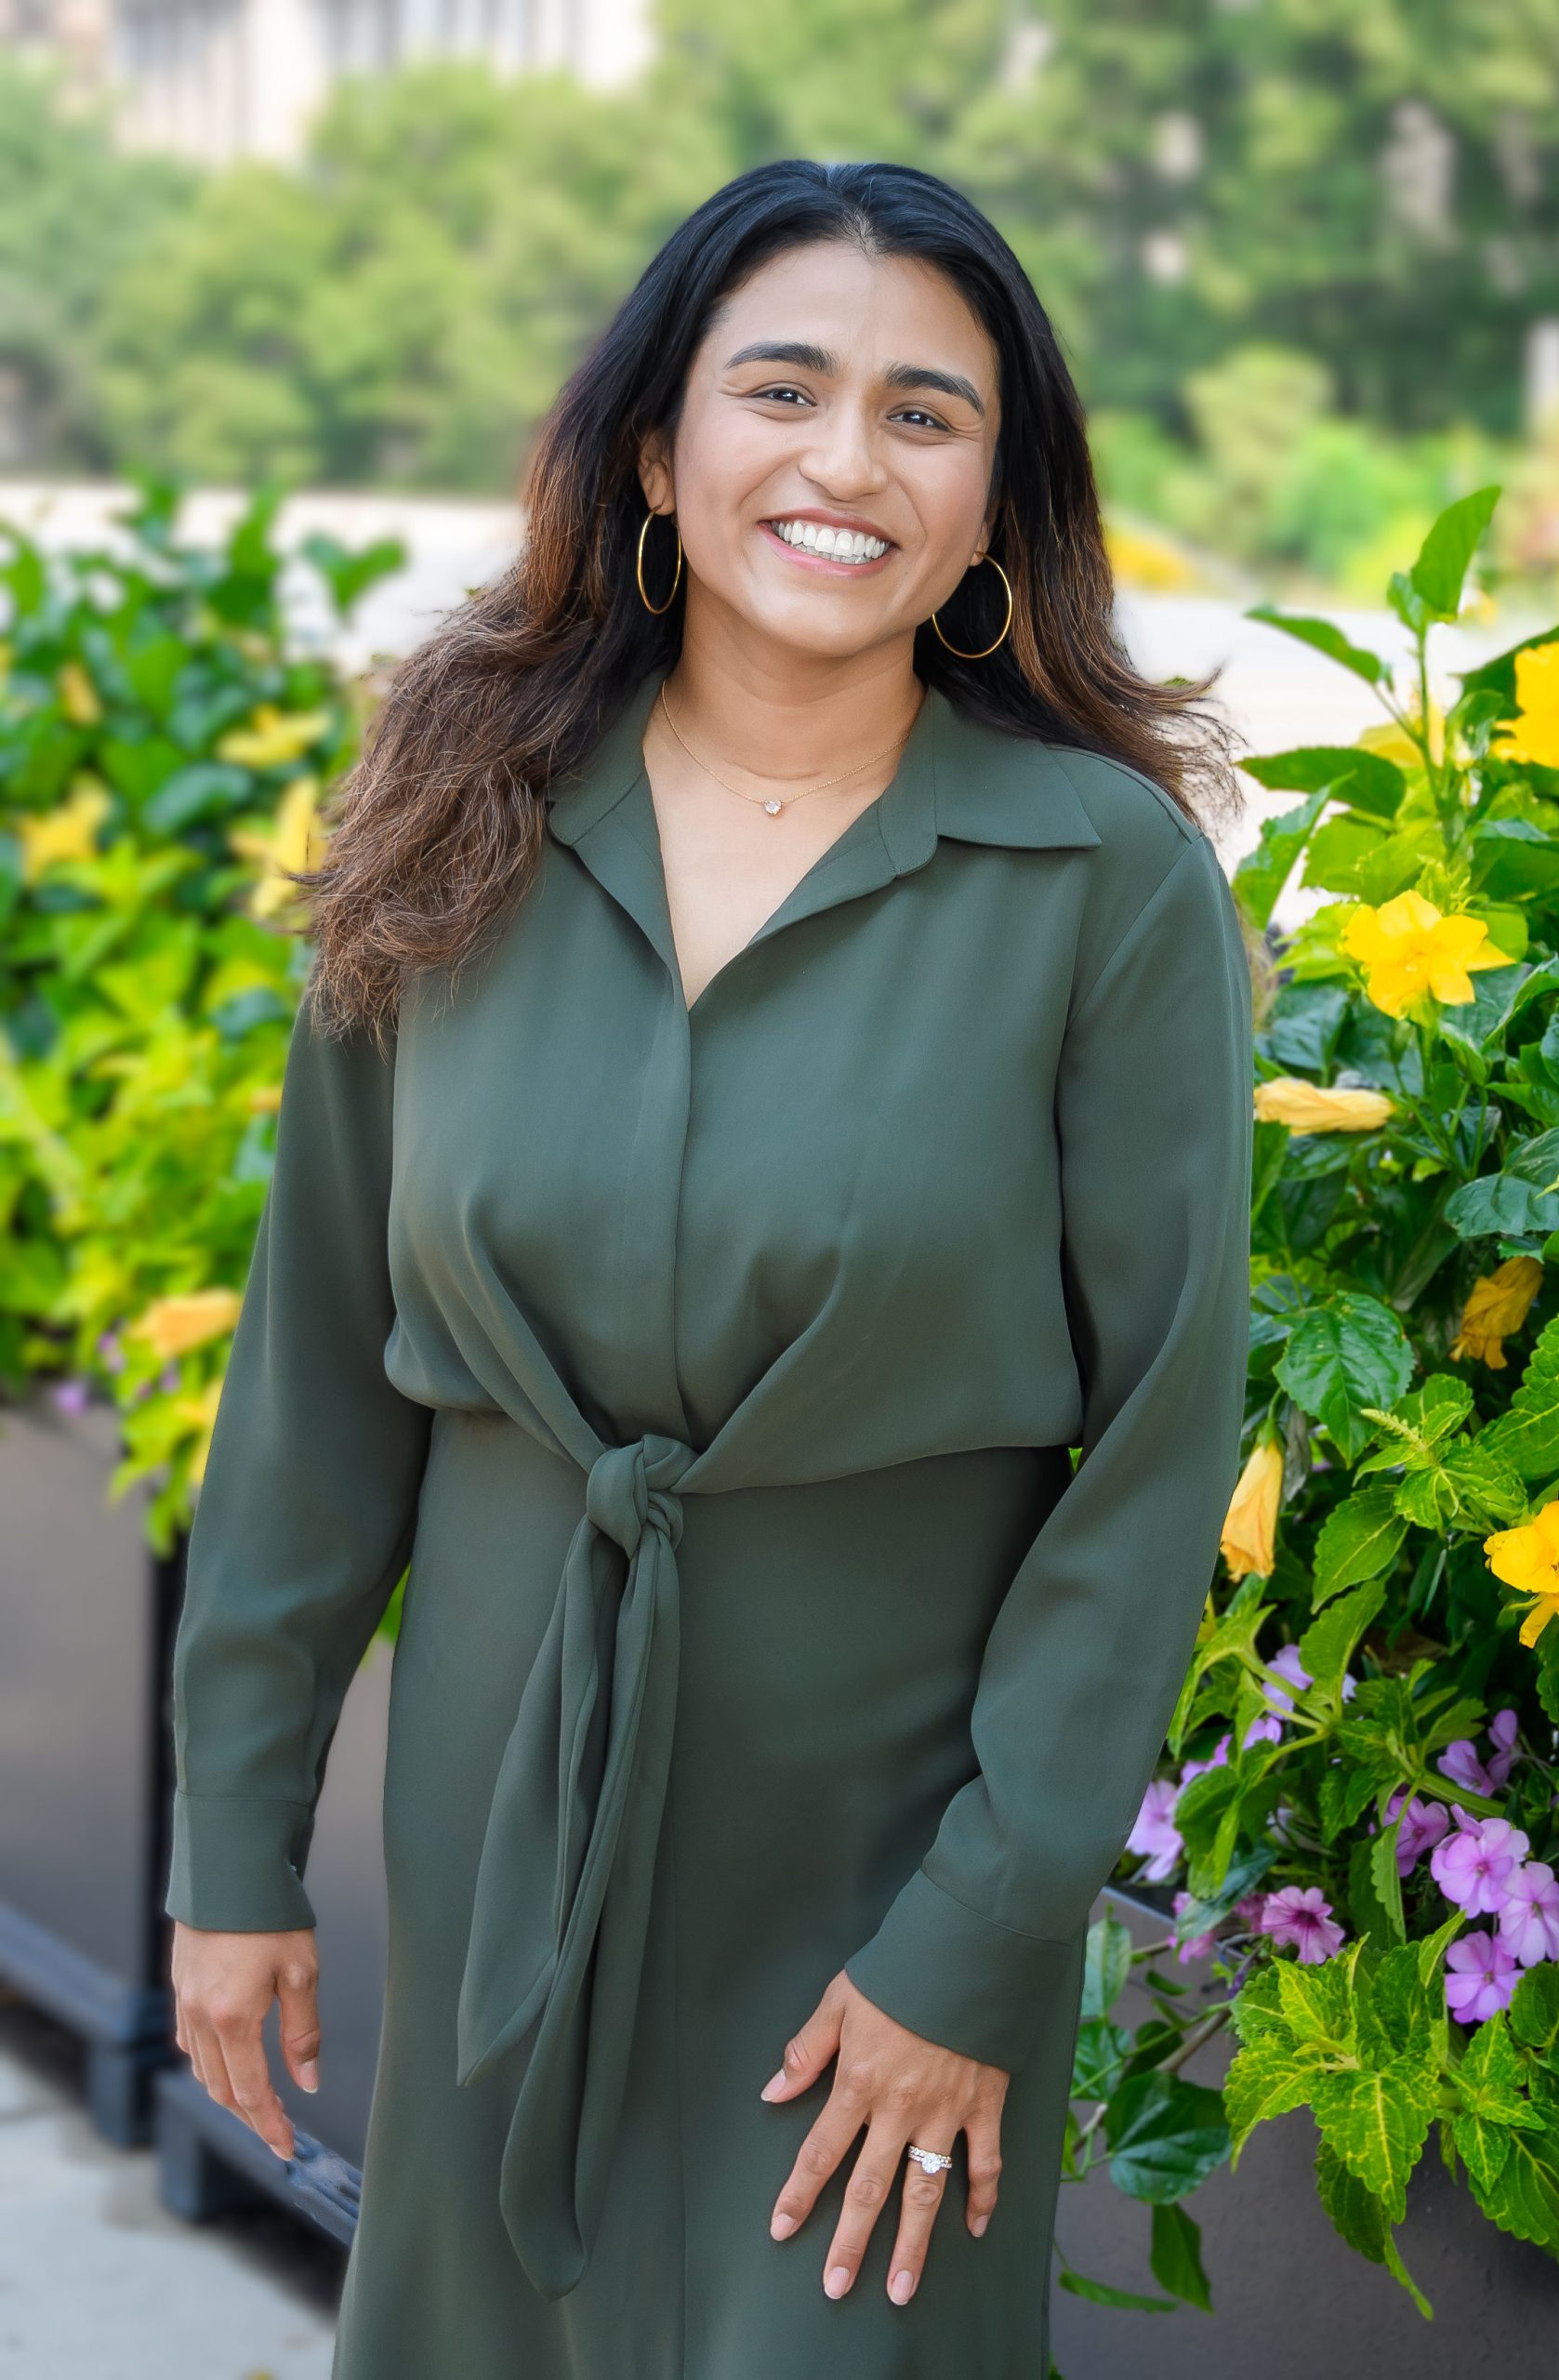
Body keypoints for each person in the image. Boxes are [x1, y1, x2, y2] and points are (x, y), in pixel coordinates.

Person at [165, 156, 1254, 2379]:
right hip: (499, 1806)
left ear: (990, 504)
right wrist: (230, 1841)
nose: (845, 461)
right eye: (784, 388)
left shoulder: (1097, 881)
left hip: (887, 1851)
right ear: (659, 450)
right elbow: (311, 1384)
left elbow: (1149, 1453)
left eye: (925, 414)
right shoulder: (455, 813)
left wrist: (981, 1928)